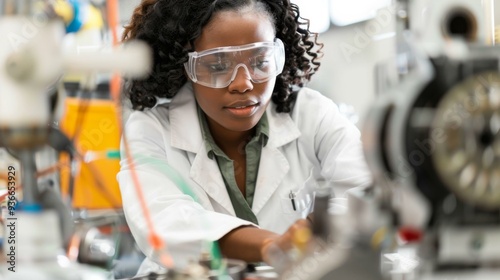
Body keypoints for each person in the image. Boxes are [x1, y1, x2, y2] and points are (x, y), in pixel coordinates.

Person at [118, 0, 372, 272]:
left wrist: (319, 225)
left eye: (260, 61)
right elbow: (163, 223)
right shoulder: (150, 129)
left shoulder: (311, 114)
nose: (243, 83)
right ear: (185, 65)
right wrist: (273, 246)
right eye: (217, 66)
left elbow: (367, 189)